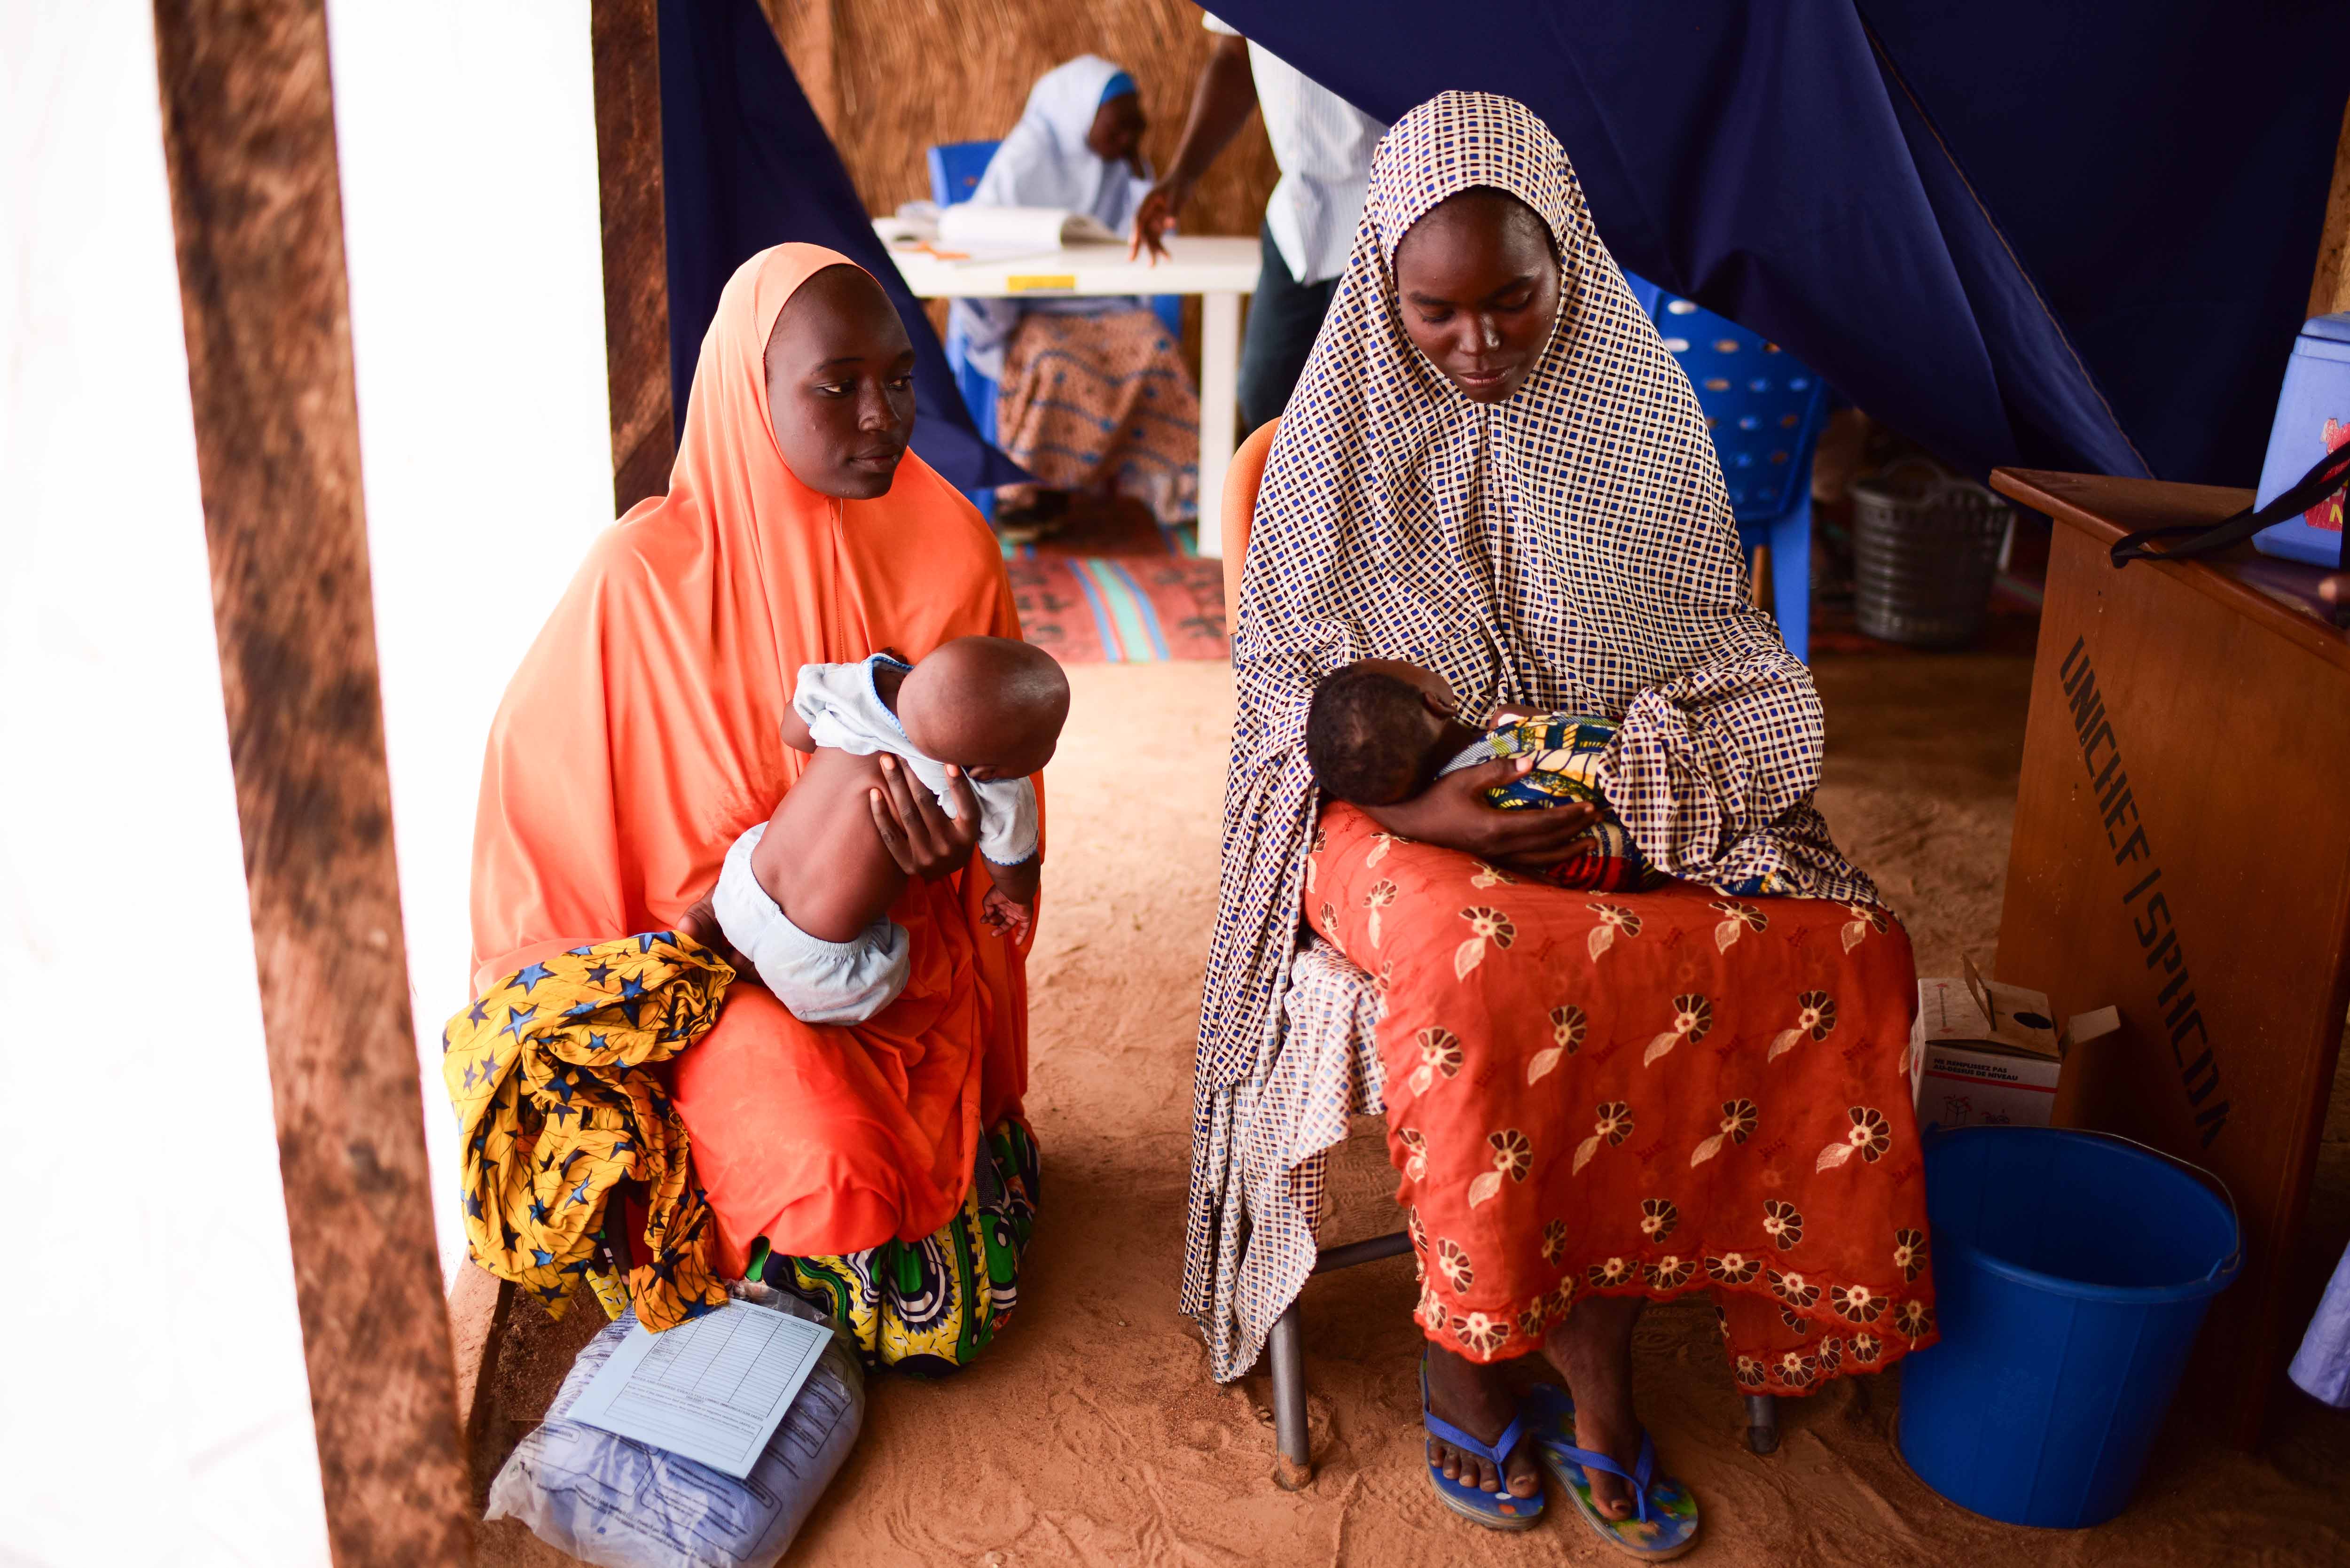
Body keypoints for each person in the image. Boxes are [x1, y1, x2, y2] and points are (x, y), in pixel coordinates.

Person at [1189, 93, 1935, 1558]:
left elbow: (1727, 655)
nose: (1478, 345)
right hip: (1382, 806)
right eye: (1435, 312)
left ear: (1570, 271)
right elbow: (1280, 698)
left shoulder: (1640, 420)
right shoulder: (1325, 446)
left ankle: (1592, 1338)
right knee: (1484, 963)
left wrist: (1624, 776)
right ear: (1379, 293)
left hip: (1594, 784)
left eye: (1514, 303)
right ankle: (1477, 1345)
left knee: (1828, 944)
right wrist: (1421, 798)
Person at [472, 243, 1042, 1376]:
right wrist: (698, 943)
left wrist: (951, 863)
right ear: (752, 388)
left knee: (946, 1283)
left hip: (899, 964)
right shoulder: (638, 580)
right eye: (837, 386)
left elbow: (1007, 806)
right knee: (832, 1168)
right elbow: (552, 853)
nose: (880, 415)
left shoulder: (952, 547)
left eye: (899, 379)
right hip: (711, 979)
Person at [708, 637, 1068, 1025]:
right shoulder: (994, 789)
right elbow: (1013, 864)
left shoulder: (862, 685)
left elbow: (793, 732)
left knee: (768, 839)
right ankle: (766, 974)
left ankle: (708, 916)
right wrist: (1016, 895)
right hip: (819, 965)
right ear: (992, 769)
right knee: (889, 977)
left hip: (742, 890)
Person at [951, 55, 1200, 533]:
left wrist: (1139, 182)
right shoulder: (1028, 153)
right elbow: (977, 230)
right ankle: (1027, 495)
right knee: (1055, 363)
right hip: (1034, 309)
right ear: (1078, 116)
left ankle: (1168, 492)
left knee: (1155, 349)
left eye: (1136, 129)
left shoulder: (1123, 165)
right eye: (1116, 130)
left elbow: (1151, 239)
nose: (1127, 140)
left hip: (1104, 305)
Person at [1129, 15, 1383, 433]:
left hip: (1383, 211)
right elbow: (1235, 55)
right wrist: (1183, 175)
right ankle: (1277, 498)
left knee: (1365, 409)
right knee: (1266, 394)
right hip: (1298, 216)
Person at [1304, 657, 1660, 891]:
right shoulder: (1513, 736)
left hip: (1630, 870)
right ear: (1437, 702)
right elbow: (1612, 741)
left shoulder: (1472, 821)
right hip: (1654, 789)